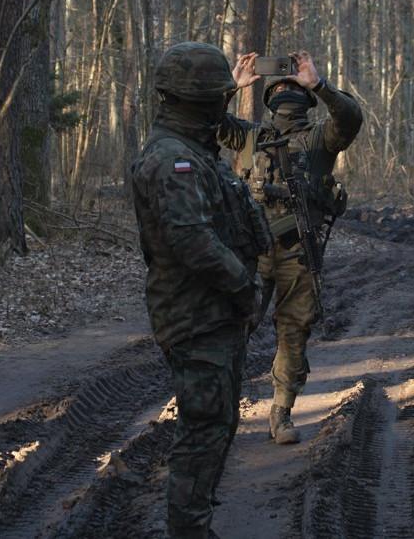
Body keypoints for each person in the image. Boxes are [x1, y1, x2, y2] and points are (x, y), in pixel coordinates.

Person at [131, 41, 271, 538]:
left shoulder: (191, 148)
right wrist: (244, 288)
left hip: (212, 314)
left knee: (217, 428)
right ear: (199, 103)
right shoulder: (174, 161)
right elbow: (193, 242)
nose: (222, 104)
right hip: (196, 317)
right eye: (216, 97)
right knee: (202, 434)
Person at [219, 50, 362, 444]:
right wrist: (233, 86)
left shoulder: (321, 138)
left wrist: (317, 82)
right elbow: (207, 123)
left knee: (294, 330)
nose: (285, 89)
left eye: (292, 84)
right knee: (234, 327)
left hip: (298, 250)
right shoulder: (249, 136)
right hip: (252, 250)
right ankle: (221, 411)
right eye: (278, 84)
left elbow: (351, 118)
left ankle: (280, 413)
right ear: (267, 97)